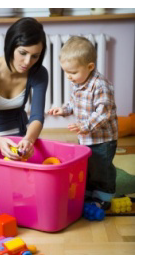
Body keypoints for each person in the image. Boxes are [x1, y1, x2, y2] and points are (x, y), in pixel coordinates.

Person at [48, 36, 118, 209]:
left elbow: (104, 113)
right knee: (87, 164)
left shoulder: (100, 85)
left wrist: (85, 126)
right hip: (85, 136)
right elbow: (74, 102)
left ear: (90, 67)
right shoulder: (79, 81)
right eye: (66, 72)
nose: (69, 77)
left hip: (103, 139)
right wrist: (64, 110)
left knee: (101, 166)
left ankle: (104, 195)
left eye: (73, 72)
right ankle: (88, 191)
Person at [0, 17, 48, 160]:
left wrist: (29, 140)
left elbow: (37, 117)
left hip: (20, 137)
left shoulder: (39, 72)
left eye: (35, 56)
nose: (27, 62)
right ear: (11, 46)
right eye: (23, 53)